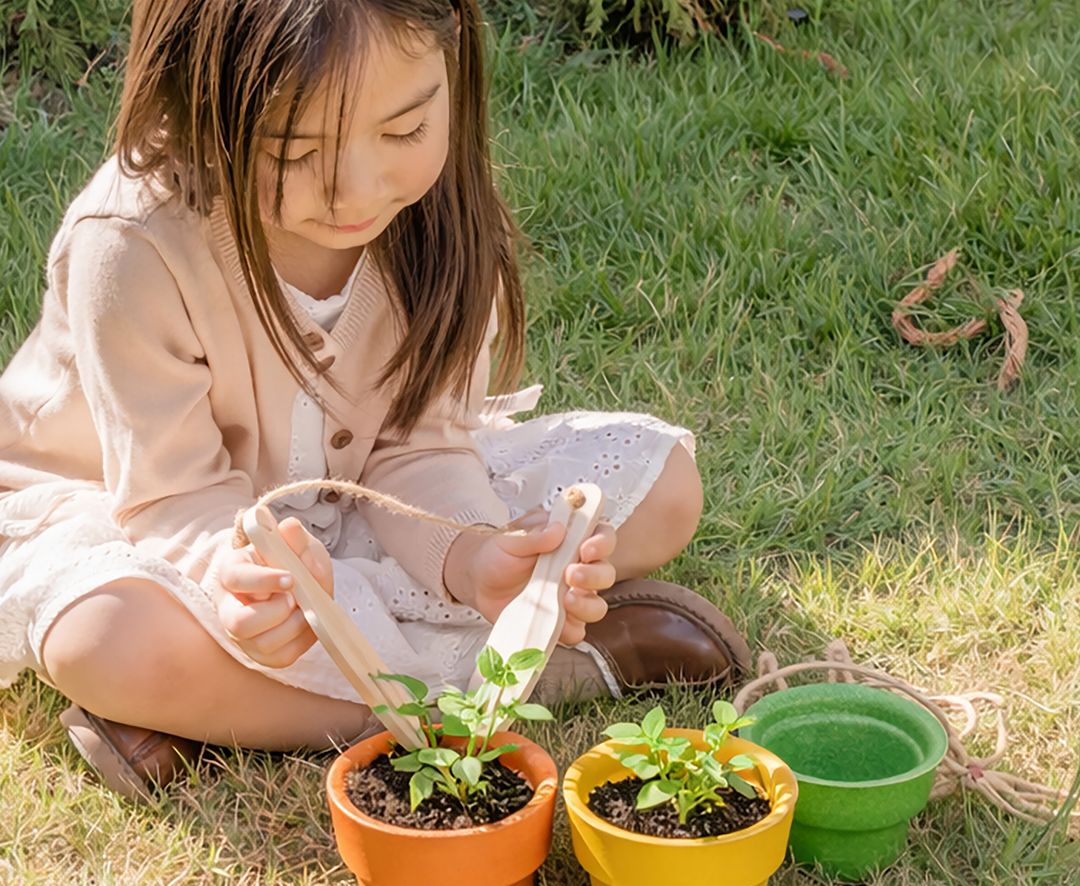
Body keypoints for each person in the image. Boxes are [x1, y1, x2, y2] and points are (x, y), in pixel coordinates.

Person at [0, 0, 751, 804]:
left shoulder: (434, 214)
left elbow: (416, 447)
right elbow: (171, 497)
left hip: (348, 492)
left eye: (402, 131)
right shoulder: (133, 242)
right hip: (147, 519)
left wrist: (472, 556)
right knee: (108, 638)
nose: (355, 190)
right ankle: (526, 680)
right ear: (190, 101)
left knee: (664, 488)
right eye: (292, 151)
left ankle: (229, 713)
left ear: (450, 59)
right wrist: (237, 579)